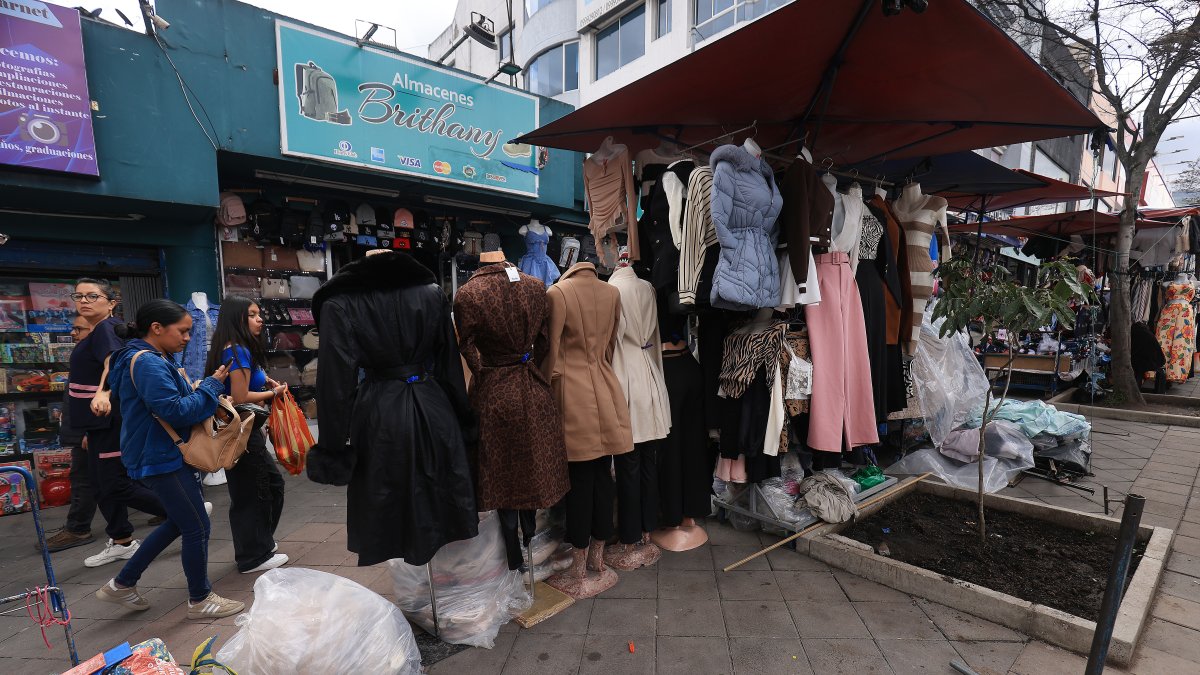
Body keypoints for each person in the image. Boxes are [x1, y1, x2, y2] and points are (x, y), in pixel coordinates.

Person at [94, 299, 244, 619]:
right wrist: (212, 387)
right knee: (196, 527)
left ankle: (122, 584)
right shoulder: (147, 362)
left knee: (181, 521)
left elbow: (176, 403)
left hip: (162, 451)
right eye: (183, 331)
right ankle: (200, 599)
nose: (188, 338)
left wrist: (203, 389)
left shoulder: (156, 357)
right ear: (157, 328)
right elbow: (176, 411)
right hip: (160, 454)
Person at [69, 279, 167, 567]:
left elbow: (114, 361)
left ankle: (183, 510)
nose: (84, 301)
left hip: (109, 419)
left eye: (92, 296)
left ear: (111, 303)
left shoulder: (106, 331)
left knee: (113, 484)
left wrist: (104, 391)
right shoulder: (98, 330)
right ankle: (122, 540)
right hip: (97, 424)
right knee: (100, 484)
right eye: (79, 296)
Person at [205, 296, 288, 574]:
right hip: (242, 430)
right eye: (252, 315)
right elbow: (240, 397)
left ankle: (259, 543)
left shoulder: (234, 349)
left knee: (263, 487)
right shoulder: (236, 350)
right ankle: (253, 555)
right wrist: (274, 393)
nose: (259, 319)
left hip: (243, 429)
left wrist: (265, 381)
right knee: (256, 490)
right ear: (237, 319)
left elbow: (244, 383)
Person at [41, 316, 97, 552]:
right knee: (111, 481)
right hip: (84, 429)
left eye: (78, 329)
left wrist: (88, 430)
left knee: (83, 479)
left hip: (90, 430)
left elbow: (97, 397)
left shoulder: (95, 356)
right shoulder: (85, 353)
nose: (73, 333)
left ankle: (78, 527)